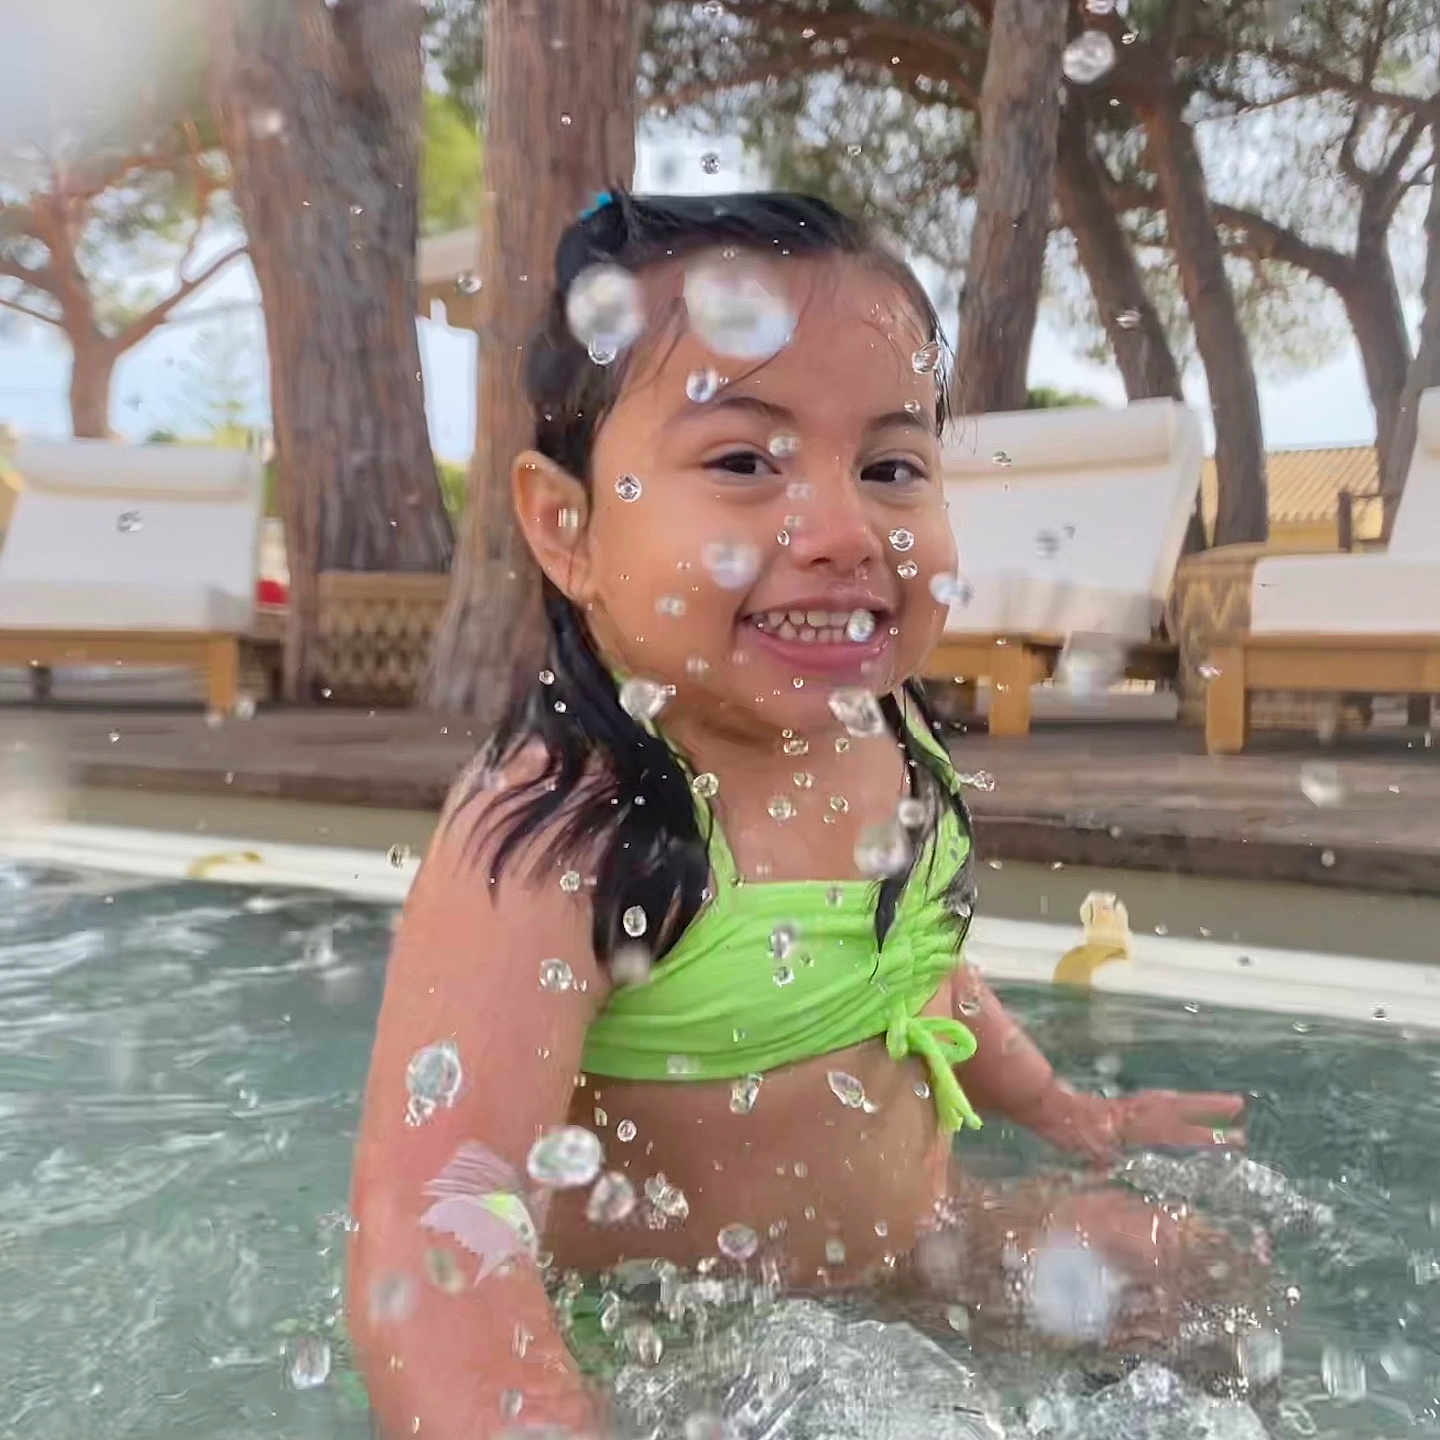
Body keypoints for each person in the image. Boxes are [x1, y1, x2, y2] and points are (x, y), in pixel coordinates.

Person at [347, 189, 1249, 1438]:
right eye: (740, 461)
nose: (842, 531)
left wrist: (1061, 1110)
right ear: (567, 527)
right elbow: (436, 1206)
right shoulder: (563, 833)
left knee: (1192, 1267)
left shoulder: (889, 735)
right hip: (697, 1350)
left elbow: (915, 972)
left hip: (917, 1256)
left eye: (890, 465)